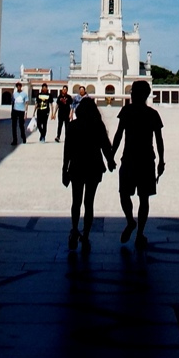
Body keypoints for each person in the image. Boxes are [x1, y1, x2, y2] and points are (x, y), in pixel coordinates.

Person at [111, 79, 165, 247]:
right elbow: (159, 140)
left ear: (139, 94)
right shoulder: (152, 114)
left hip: (130, 158)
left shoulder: (127, 111)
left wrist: (111, 155)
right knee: (143, 198)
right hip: (146, 159)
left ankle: (132, 223)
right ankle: (138, 231)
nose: (132, 95)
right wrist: (161, 160)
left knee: (125, 194)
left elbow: (119, 135)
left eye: (133, 92)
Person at [62, 97, 115, 249]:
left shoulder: (73, 126)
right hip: (94, 166)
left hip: (77, 166)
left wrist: (64, 170)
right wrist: (110, 161)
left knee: (76, 201)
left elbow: (68, 150)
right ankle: (85, 235)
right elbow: (105, 146)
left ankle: (74, 229)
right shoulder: (97, 125)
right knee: (89, 202)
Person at [10, 81, 28, 146]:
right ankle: (15, 140)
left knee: (21, 125)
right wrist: (11, 112)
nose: (18, 87)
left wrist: (26, 113)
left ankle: (23, 137)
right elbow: (13, 103)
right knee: (14, 126)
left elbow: (26, 103)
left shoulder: (24, 94)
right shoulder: (14, 94)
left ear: (21, 87)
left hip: (21, 111)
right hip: (15, 110)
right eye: (17, 86)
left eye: (19, 86)